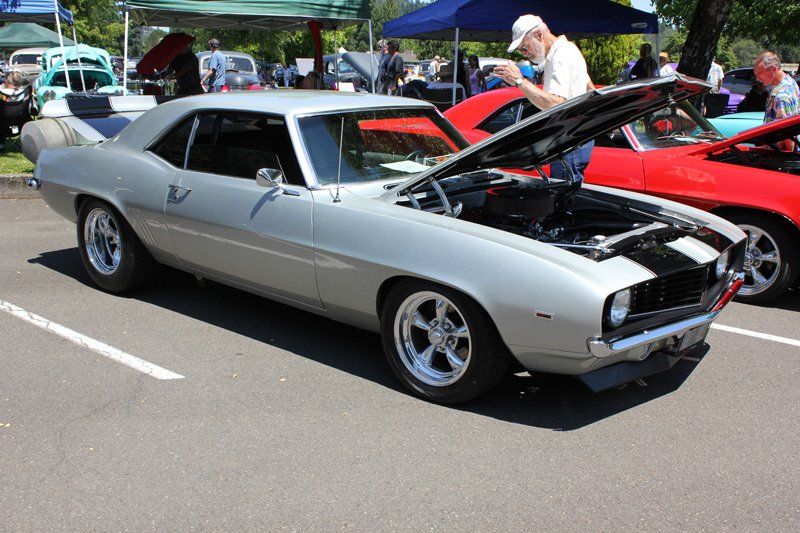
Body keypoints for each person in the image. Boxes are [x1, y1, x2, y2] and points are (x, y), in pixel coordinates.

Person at [494, 14, 594, 183]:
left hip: (568, 142)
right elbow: (589, 88)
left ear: (539, 35)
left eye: (525, 48)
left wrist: (520, 81)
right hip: (577, 140)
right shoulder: (569, 49)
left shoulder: (560, 55)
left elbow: (558, 104)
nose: (525, 54)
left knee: (562, 201)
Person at [754, 51, 799, 150]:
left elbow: (788, 137)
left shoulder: (781, 96)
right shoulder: (791, 82)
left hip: (778, 159)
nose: (757, 78)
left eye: (759, 73)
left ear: (773, 69)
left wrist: (787, 160)